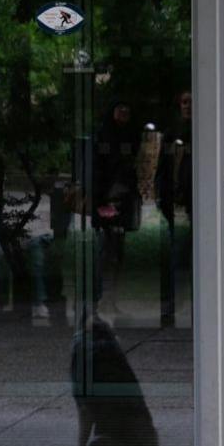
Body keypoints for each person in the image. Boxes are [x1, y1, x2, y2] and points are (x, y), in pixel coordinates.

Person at [91, 99, 140, 315]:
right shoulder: (103, 135)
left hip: (123, 198)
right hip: (107, 198)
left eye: (127, 110)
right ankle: (101, 297)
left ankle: (109, 298)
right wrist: (102, 199)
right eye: (120, 109)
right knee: (106, 250)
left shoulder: (130, 135)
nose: (124, 114)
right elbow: (98, 169)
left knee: (117, 252)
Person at [156, 90, 192, 327]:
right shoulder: (172, 135)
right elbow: (164, 169)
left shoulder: (206, 131)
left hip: (195, 202)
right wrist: (163, 198)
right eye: (185, 102)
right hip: (177, 204)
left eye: (192, 102)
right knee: (175, 257)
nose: (188, 106)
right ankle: (170, 306)